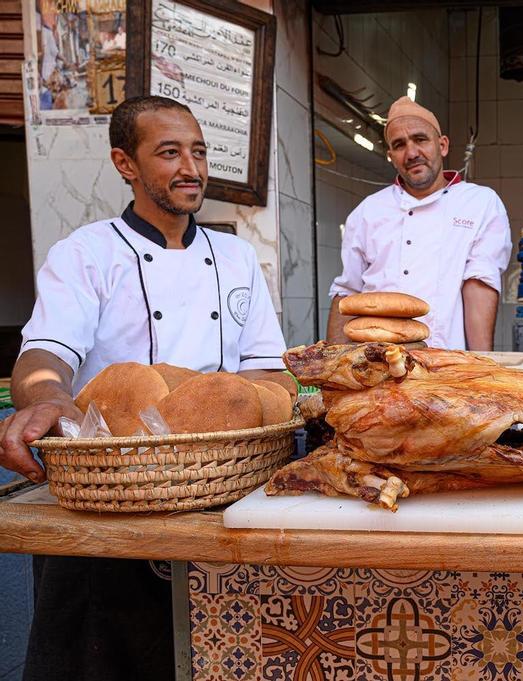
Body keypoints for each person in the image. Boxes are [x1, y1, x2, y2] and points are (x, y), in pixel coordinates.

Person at [0, 95, 292, 681]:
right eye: (170, 153)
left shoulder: (236, 258)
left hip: (218, 491)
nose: (192, 168)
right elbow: (46, 353)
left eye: (199, 152)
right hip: (113, 493)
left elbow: (267, 371)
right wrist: (49, 397)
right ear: (125, 163)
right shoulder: (87, 253)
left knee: (212, 652)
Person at [327, 96, 512, 351]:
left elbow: (479, 285)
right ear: (391, 155)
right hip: (375, 363)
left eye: (420, 139)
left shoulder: (480, 203)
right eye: (399, 145)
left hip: (446, 362)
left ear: (443, 145)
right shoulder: (368, 211)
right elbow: (347, 293)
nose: (412, 153)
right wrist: (333, 366)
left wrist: (482, 366)